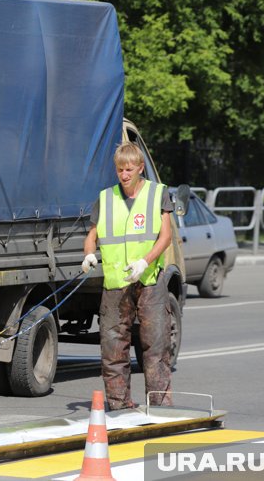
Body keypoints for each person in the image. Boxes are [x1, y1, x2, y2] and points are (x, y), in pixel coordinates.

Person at [82, 142, 174, 410]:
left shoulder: (158, 194)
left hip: (148, 280)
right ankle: (120, 405)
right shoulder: (106, 198)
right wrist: (89, 254)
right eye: (120, 170)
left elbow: (165, 236)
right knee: (112, 349)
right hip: (115, 284)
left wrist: (145, 262)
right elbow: (92, 236)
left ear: (140, 168)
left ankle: (159, 407)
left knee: (156, 346)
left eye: (129, 169)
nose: (124, 175)